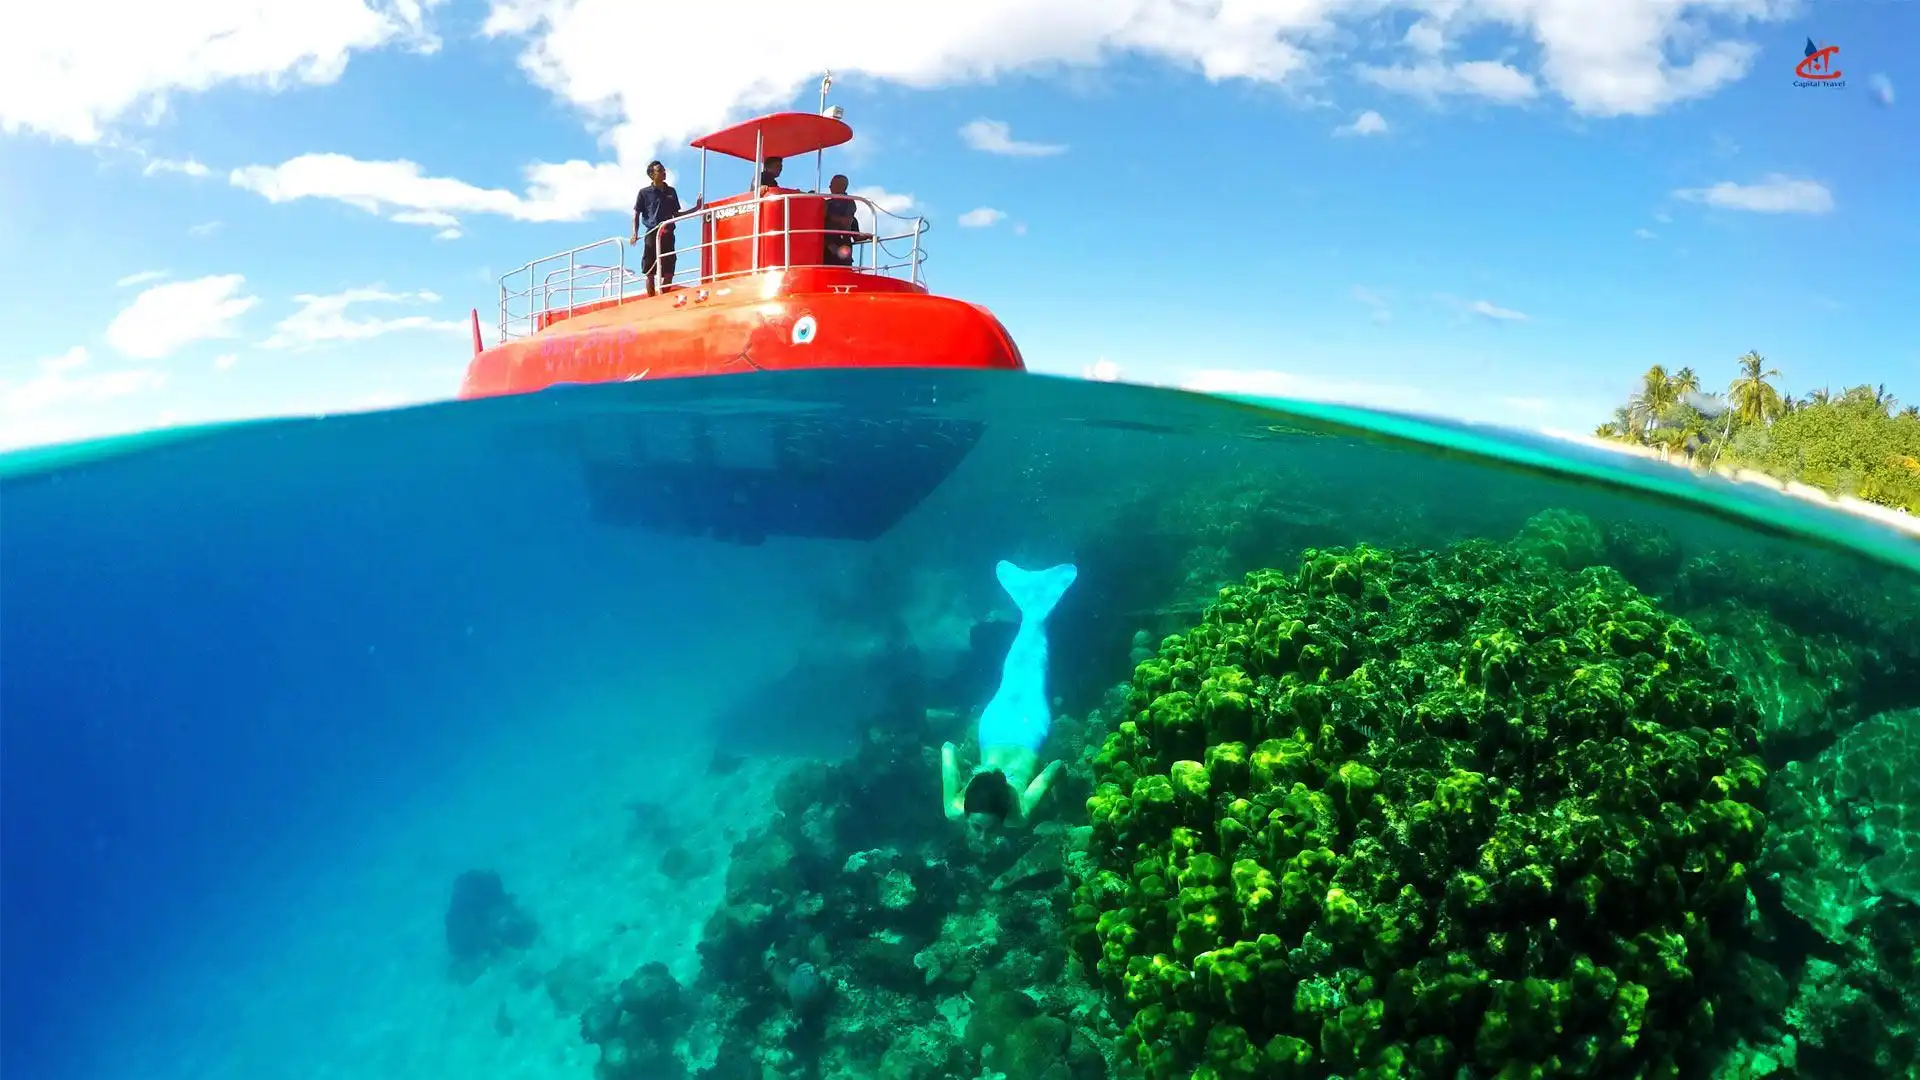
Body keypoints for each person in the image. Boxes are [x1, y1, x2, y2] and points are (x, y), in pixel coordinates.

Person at [632, 161, 701, 297]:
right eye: (660, 170)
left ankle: (662, 298)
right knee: (649, 271)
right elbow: (636, 214)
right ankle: (652, 300)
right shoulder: (644, 193)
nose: (664, 172)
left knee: (669, 271)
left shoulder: (671, 191)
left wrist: (696, 208)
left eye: (664, 169)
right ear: (652, 174)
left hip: (668, 233)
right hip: (652, 233)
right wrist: (634, 233)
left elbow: (676, 214)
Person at [822, 174, 867, 267]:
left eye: (832, 184)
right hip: (826, 248)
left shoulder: (848, 202)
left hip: (841, 244)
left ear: (840, 186)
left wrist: (826, 214)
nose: (829, 186)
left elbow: (846, 221)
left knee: (842, 267)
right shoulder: (828, 203)